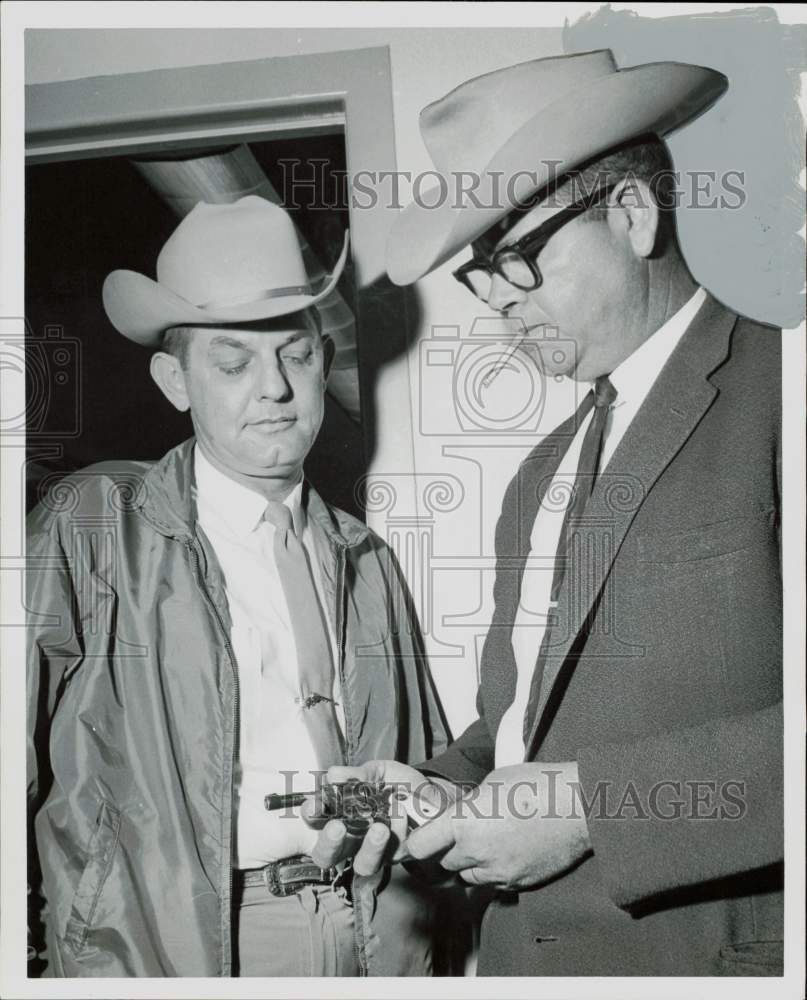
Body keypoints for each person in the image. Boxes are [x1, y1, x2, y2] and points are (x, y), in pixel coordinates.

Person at [311, 50, 784, 977]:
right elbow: (521, 729)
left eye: (517, 258)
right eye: (480, 276)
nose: (499, 310)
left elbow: (579, 786)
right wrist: (434, 787)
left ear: (633, 215)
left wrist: (598, 809)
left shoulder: (780, 394)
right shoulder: (539, 474)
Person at [26, 196, 447, 977]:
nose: (275, 389)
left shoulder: (368, 559)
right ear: (173, 379)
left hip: (367, 936)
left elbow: (415, 772)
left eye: (296, 355)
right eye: (232, 362)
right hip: (171, 948)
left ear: (324, 361)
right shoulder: (91, 525)